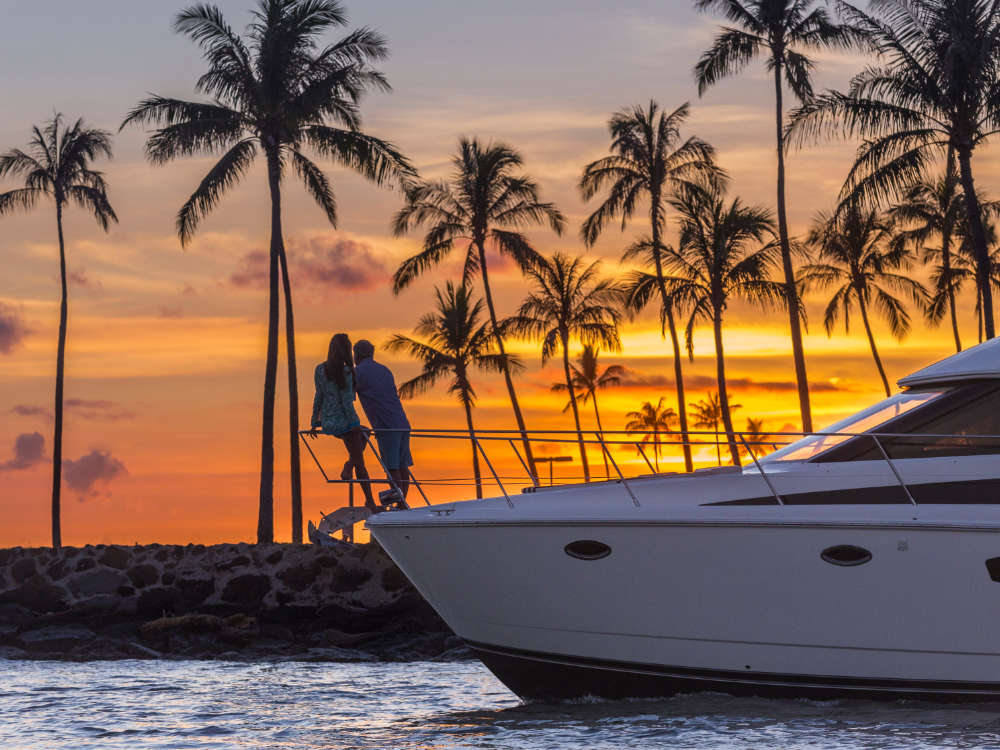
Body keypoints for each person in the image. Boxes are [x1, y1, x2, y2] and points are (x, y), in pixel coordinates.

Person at [311, 333, 378, 513]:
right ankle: (370, 501)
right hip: (345, 423)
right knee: (361, 464)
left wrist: (314, 421)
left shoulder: (320, 369)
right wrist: (354, 423)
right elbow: (346, 401)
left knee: (366, 432)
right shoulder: (347, 372)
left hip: (328, 422)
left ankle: (348, 466)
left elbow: (319, 396)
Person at [353, 339, 413, 500]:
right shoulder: (385, 370)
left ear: (356, 355)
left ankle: (400, 501)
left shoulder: (358, 372)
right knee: (402, 465)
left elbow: (348, 395)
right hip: (402, 423)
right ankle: (402, 501)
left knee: (392, 466)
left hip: (386, 425)